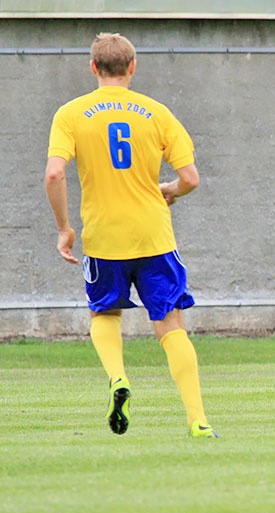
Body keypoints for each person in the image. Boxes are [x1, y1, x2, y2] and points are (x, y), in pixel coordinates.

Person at [44, 33, 217, 438]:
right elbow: (190, 178)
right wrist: (169, 190)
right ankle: (198, 419)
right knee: (171, 325)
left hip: (104, 238)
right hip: (154, 236)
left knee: (104, 314)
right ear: (132, 67)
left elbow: (54, 173)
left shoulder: (71, 114)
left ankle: (118, 378)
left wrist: (64, 229)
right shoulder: (156, 112)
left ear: (93, 68)